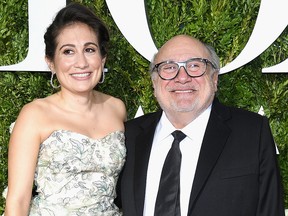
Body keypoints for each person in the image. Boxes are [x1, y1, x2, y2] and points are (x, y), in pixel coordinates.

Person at [116, 34, 285, 216]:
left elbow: (270, 209)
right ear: (154, 83)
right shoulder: (128, 135)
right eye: (169, 67)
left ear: (214, 79)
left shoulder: (252, 132)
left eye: (194, 66)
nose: (182, 77)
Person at [4, 3, 126, 215]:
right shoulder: (35, 115)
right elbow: (18, 200)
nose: (81, 63)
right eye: (68, 51)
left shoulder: (116, 108)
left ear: (102, 58)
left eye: (89, 50)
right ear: (51, 62)